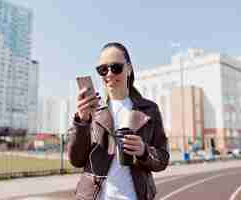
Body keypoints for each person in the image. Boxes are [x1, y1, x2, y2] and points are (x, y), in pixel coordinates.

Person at [68, 42, 170, 200]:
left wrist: (143, 151)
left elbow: (162, 159)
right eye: (102, 69)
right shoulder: (91, 110)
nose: (108, 74)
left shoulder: (150, 110)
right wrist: (82, 122)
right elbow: (76, 160)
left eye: (115, 67)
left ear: (128, 69)